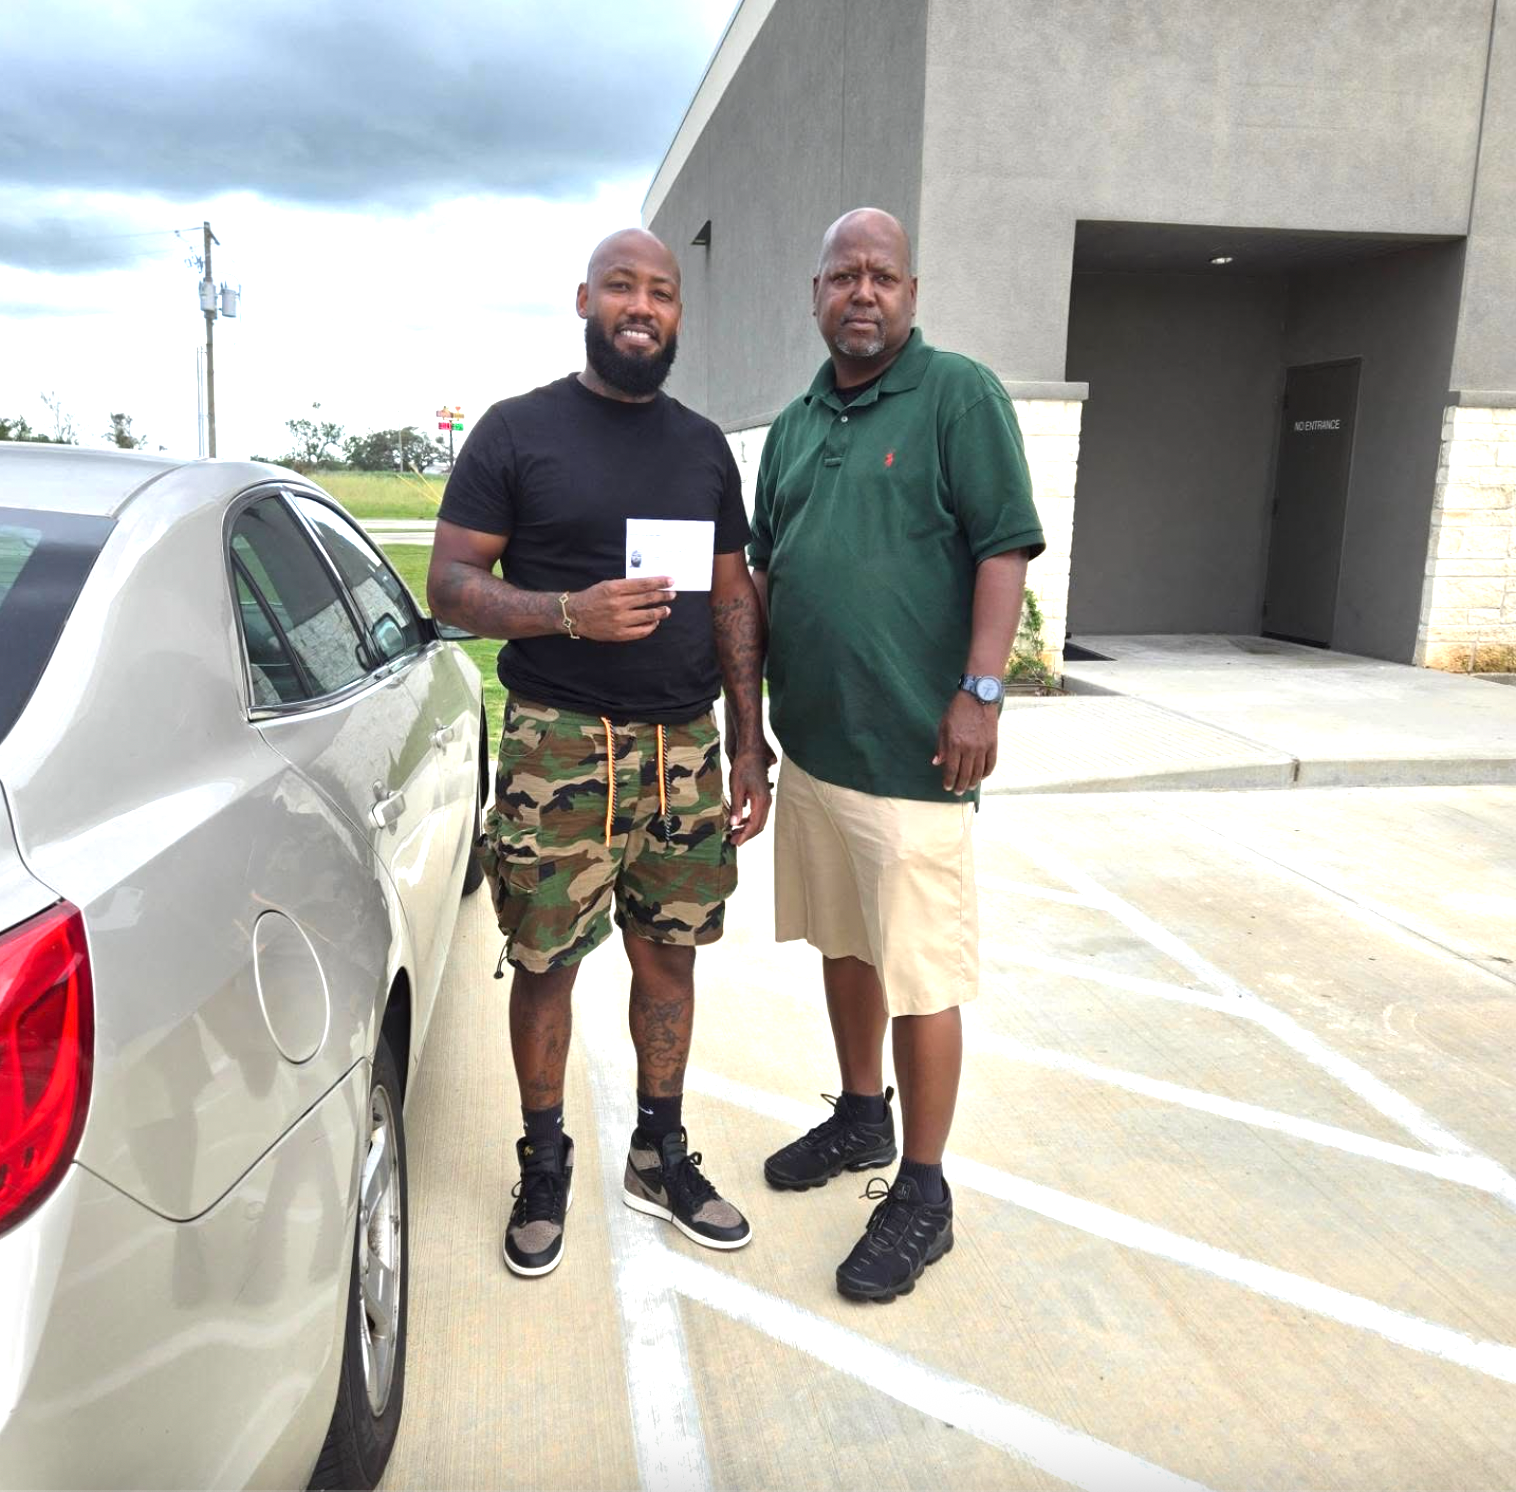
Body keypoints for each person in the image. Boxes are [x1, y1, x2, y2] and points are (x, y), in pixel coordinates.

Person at [427, 227, 770, 1278]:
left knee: (671, 958)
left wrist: (748, 743)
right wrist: (569, 611)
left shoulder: (703, 446)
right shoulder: (516, 432)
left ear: (676, 315)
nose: (643, 305)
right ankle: (543, 1161)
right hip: (558, 748)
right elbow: (449, 585)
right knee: (545, 965)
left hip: (683, 748)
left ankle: (658, 1151)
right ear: (585, 299)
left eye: (662, 292)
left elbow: (731, 597)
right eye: (622, 286)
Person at [750, 208, 1044, 1302]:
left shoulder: (956, 395)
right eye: (841, 276)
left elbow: (1000, 545)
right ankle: (860, 1115)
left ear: (909, 292)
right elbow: (767, 572)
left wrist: (981, 690)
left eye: (880, 275)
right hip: (817, 749)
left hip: (918, 755)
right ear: (815, 294)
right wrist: (749, 722)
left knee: (919, 972)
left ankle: (924, 1191)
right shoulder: (790, 426)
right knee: (845, 943)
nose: (860, 292)